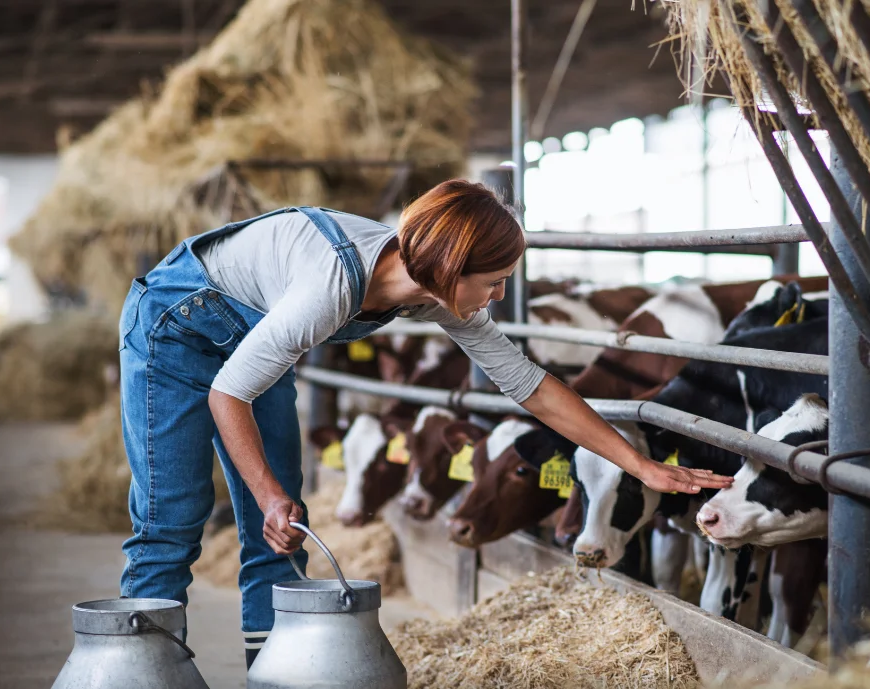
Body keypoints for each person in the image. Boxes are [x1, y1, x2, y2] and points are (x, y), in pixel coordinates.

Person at [117, 179, 731, 666]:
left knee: (282, 534)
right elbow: (229, 395)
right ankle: (140, 671)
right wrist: (267, 491)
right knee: (174, 516)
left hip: (256, 335)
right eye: (493, 283)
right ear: (453, 265)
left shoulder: (436, 288)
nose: (495, 298)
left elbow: (532, 388)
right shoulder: (331, 285)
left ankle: (278, 676)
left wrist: (641, 464)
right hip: (177, 325)